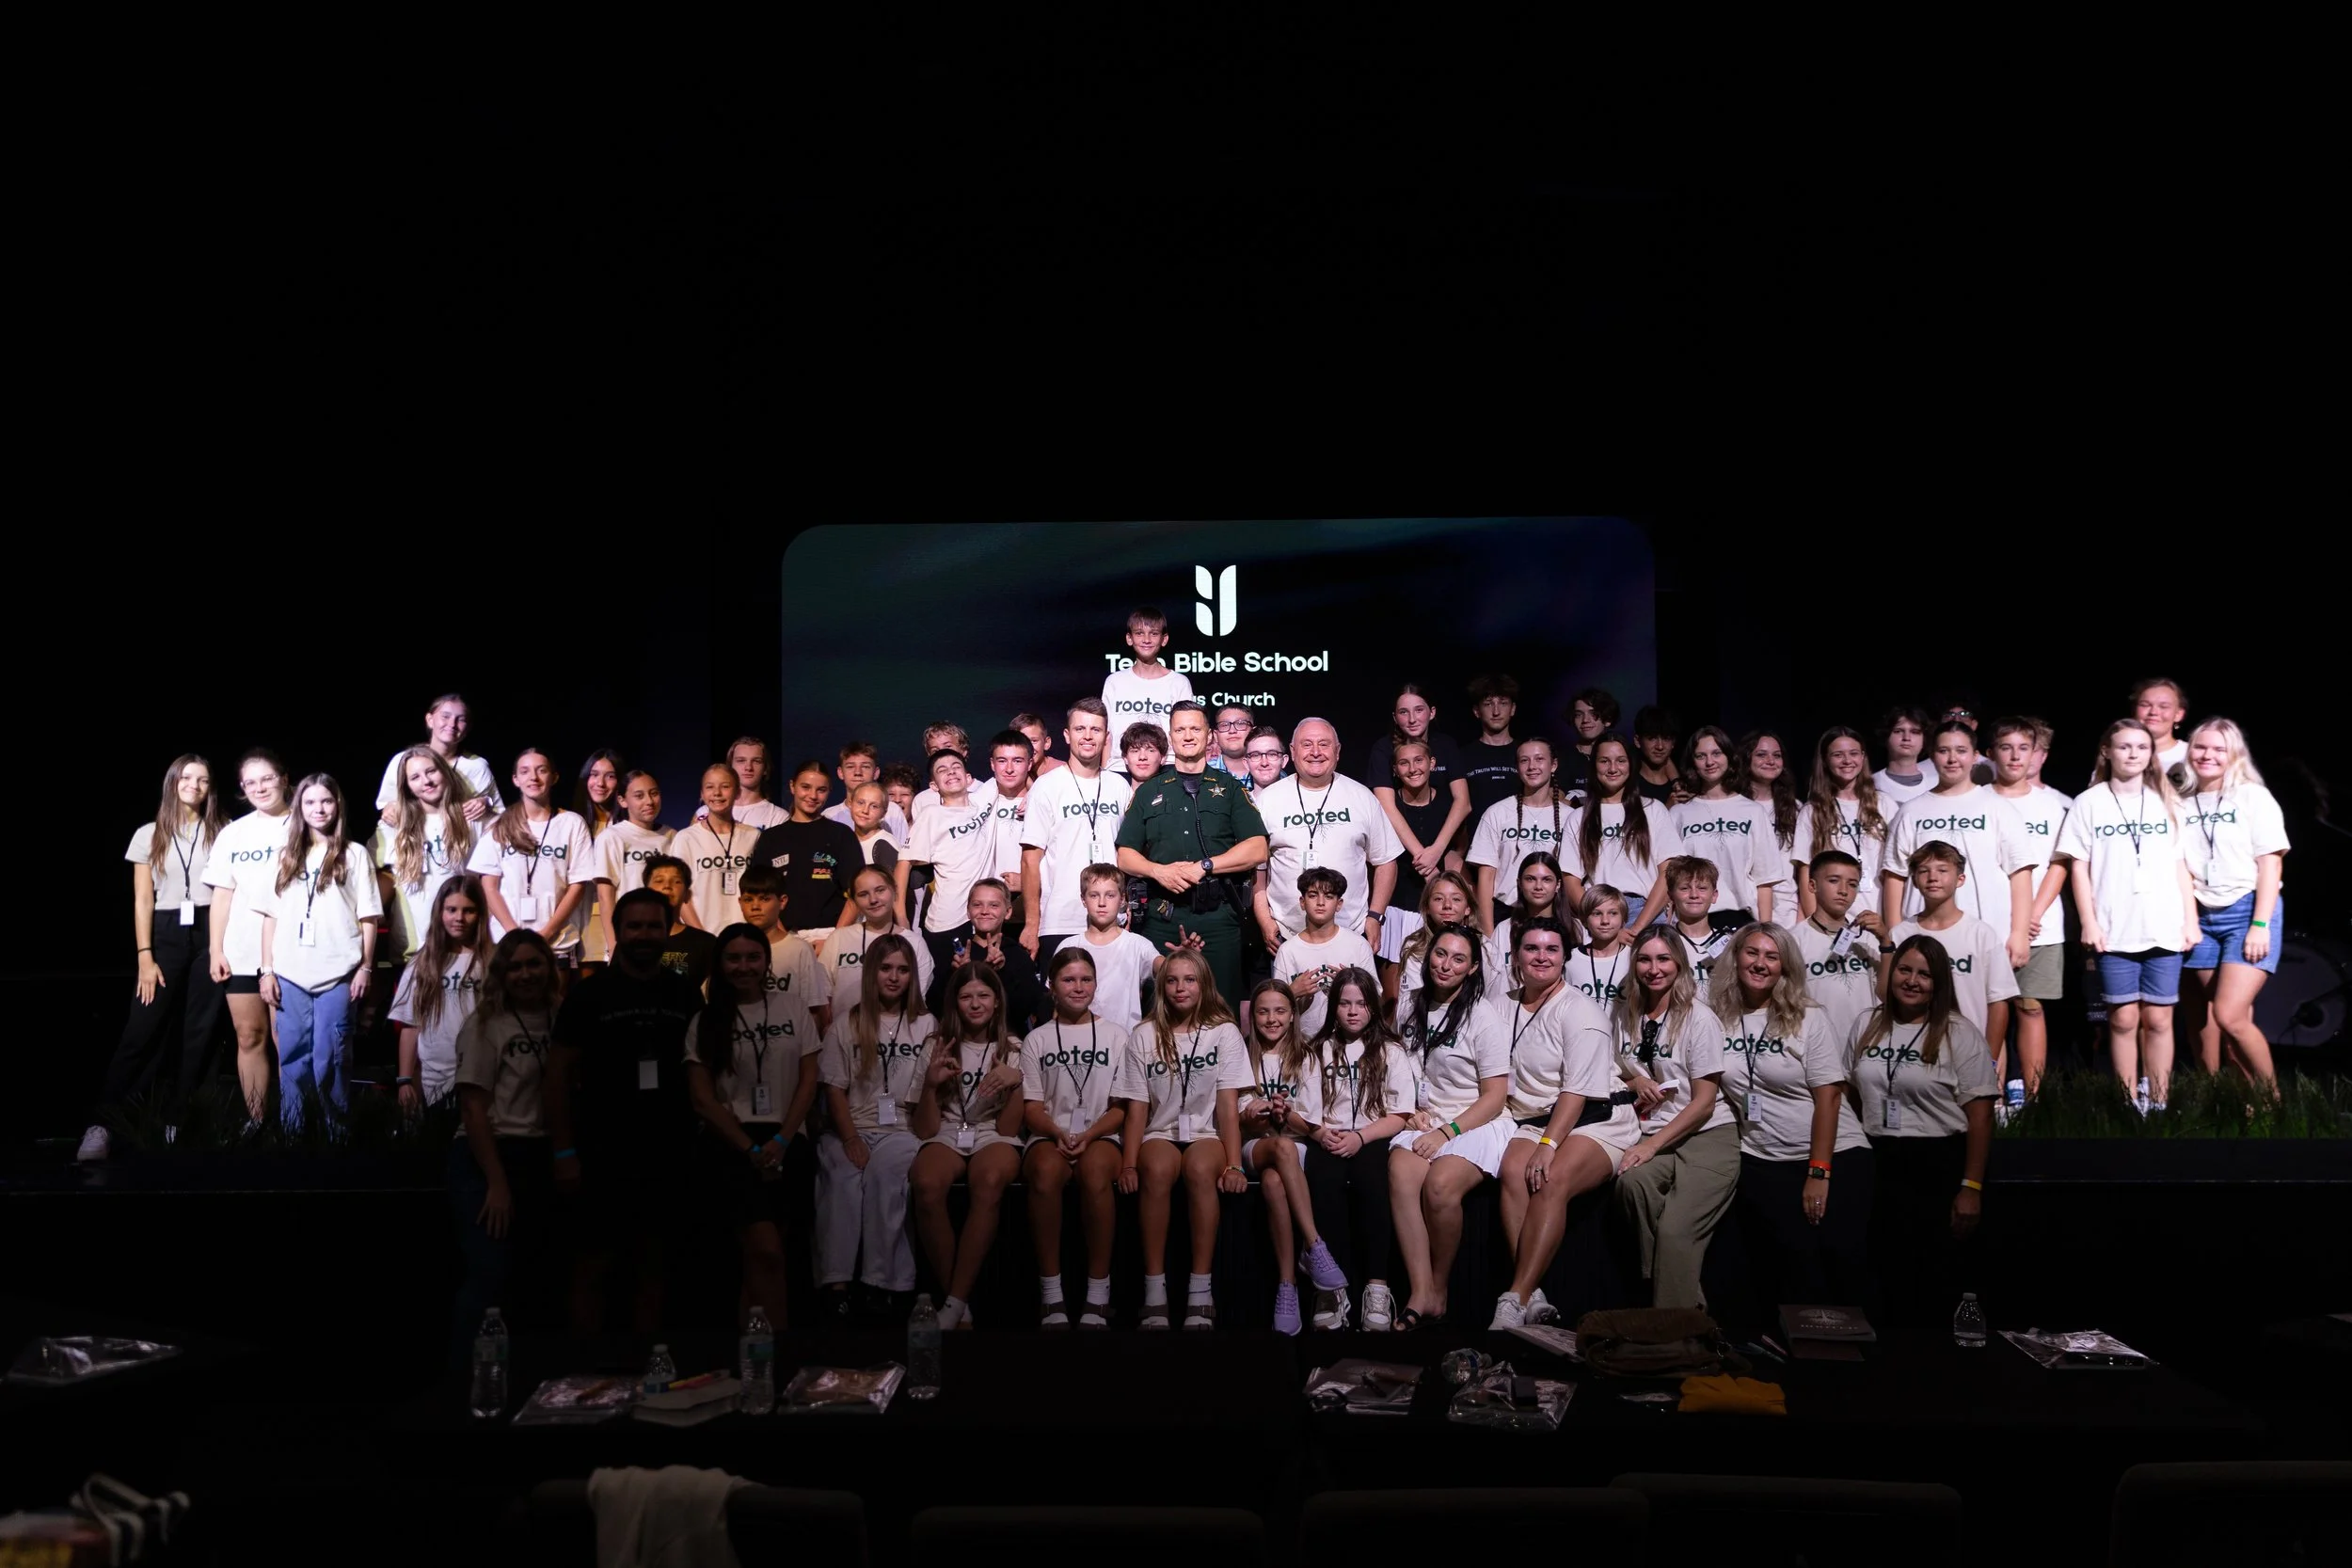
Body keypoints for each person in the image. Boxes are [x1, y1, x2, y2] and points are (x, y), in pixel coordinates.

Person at [544, 886, 705, 1334]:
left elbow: (704, 1075)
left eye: (654, 925)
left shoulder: (685, 995)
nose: (644, 934)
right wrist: (563, 1153)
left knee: (656, 1265)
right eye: (634, 926)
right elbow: (556, 1077)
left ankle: (647, 1373)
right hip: (600, 1151)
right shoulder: (587, 997)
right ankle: (586, 1375)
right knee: (593, 1262)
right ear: (617, 931)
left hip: (668, 1151)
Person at [1711, 923, 1873, 1331]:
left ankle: (1851, 1370)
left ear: (1785, 966)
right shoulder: (1718, 1016)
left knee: (1836, 1265)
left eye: (1771, 956)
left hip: (1831, 1156)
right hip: (1763, 1159)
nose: (1760, 964)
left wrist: (1819, 1173)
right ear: (1736, 957)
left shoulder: (1807, 1017)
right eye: (1752, 953)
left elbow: (1830, 1096)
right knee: (1787, 1271)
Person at [1847, 936, 1997, 1332]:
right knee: (1880, 1271)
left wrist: (1972, 1187)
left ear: (1939, 983)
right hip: (1878, 1160)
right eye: (1905, 969)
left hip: (1937, 1165)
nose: (1912, 981)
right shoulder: (1866, 1023)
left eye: (1924, 974)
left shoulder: (1959, 1033)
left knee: (1931, 1275)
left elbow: (1981, 1118)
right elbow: (1849, 1094)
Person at [84, 755, 229, 1157]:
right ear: (172, 782)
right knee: (142, 1031)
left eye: (203, 780)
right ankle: (103, 1124)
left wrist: (218, 946)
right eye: (186, 777)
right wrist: (145, 956)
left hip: (212, 929)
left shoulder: (224, 832)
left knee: (201, 1032)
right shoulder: (148, 834)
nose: (194, 786)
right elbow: (143, 899)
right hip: (164, 934)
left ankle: (180, 1123)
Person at [1487, 917, 1627, 1330]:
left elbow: (1578, 1091)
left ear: (1565, 957)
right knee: (1512, 1170)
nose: (1541, 957)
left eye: (1551, 949)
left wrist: (1548, 1145)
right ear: (1516, 956)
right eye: (1532, 948)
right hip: (1534, 1117)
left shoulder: (1580, 1010)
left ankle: (1514, 1297)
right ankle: (1535, 1295)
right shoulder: (1501, 1004)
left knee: (1550, 1179)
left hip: (1596, 1117)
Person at [686, 924, 815, 1330]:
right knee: (764, 1251)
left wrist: (781, 1139)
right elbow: (702, 1098)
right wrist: (750, 1149)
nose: (744, 967)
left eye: (752, 957)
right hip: (733, 1145)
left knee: (773, 1256)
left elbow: (809, 1078)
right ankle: (776, 1353)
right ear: (720, 965)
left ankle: (751, 1359)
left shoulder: (792, 1006)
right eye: (734, 958)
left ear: (766, 961)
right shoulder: (705, 1020)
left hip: (788, 1141)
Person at [1113, 949, 1250, 1329]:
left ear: (1204, 985)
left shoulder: (1224, 1033)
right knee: (1155, 1168)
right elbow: (1137, 1107)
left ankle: (1200, 1289)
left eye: (1189, 980)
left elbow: (1228, 1105)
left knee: (1200, 1168)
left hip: (1207, 1133)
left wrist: (1235, 1163)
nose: (1180, 988)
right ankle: (1154, 1289)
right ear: (1161, 986)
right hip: (1161, 1130)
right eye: (1172, 980)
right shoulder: (1144, 1035)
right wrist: (1128, 1162)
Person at [1387, 925, 1509, 1330]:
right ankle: (1419, 1291)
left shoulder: (1483, 1015)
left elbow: (1495, 1095)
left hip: (1475, 1120)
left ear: (1472, 968)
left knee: (1439, 1186)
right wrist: (1408, 1112)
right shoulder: (1407, 1004)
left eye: (1458, 959)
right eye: (1440, 954)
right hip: (1424, 1118)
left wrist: (1447, 1132)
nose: (1446, 965)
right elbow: (1400, 1068)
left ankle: (1439, 1289)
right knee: (1402, 1173)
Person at [447, 927, 559, 1364]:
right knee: (489, 1275)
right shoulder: (485, 1025)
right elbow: (473, 1110)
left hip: (540, 1154)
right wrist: (496, 1183)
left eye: (534, 964)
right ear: (501, 973)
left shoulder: (558, 1014)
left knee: (535, 1277)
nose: (526, 974)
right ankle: (466, 1382)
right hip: (487, 1156)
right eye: (515, 966)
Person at [1612, 928, 1737, 1311]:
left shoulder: (1699, 1018)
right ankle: (1684, 1299)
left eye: (1663, 959)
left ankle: (1673, 1333)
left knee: (1675, 1231)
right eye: (1645, 960)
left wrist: (1650, 1145)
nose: (1654, 969)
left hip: (1707, 1132)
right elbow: (1614, 1065)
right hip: (1653, 1129)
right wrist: (1634, 1080)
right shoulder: (1625, 1011)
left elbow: (1703, 1103)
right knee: (1631, 1185)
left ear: (1679, 963)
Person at [1116, 702, 1270, 1006]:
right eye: (1180, 729)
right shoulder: (1148, 791)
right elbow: (1125, 855)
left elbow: (1258, 848)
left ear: (1209, 735)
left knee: (1221, 1009)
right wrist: (1159, 871)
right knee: (1160, 1011)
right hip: (1163, 917)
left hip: (1218, 919)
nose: (1187, 736)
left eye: (1195, 729)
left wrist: (1206, 866)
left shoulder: (1230, 789)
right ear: (1171, 737)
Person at [1291, 968, 1417, 1330]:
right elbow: (1304, 1112)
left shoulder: (1390, 1050)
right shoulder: (1318, 1049)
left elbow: (1401, 1112)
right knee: (1323, 1183)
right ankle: (1330, 1289)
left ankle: (1377, 1286)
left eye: (1361, 1004)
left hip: (1372, 1137)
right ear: (1334, 1007)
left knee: (1375, 1183)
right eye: (1344, 1003)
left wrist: (1362, 1137)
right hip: (1330, 1136)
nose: (1352, 1011)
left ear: (1373, 1008)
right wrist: (1319, 1134)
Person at [814, 932, 930, 1320]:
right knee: (841, 1176)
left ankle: (883, 1283)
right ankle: (837, 1284)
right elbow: (834, 1089)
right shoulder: (847, 1024)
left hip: (903, 1128)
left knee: (885, 1174)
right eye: (885, 969)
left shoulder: (927, 1024)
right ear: (871, 973)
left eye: (902, 970)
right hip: (853, 1124)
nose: (894, 977)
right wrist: (850, 1139)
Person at [906, 963, 1026, 1331]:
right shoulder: (936, 1046)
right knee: (925, 1182)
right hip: (947, 1131)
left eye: (983, 995)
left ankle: (955, 1303)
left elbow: (1007, 1129)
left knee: (988, 1179)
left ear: (996, 1001)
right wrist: (930, 1085)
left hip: (992, 1133)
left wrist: (1016, 1082)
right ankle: (959, 1306)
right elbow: (925, 1129)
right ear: (954, 1003)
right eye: (966, 996)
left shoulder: (1014, 1048)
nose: (975, 1004)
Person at [258, 774, 381, 1123]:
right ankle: (294, 1135)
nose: (319, 809)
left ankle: (335, 1137)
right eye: (310, 802)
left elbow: (368, 917)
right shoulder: (285, 856)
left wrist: (365, 968)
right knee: (293, 1057)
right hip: (290, 972)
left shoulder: (354, 854)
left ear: (337, 804)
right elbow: (270, 916)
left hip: (338, 973)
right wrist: (266, 971)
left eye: (326, 801)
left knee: (334, 1056)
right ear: (299, 807)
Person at [2180, 718, 2290, 1088]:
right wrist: (2189, 919)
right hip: (2203, 914)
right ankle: (2238, 1099)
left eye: (2218, 749)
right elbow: (2180, 864)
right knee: (2220, 1017)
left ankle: (2272, 1100)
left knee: (2229, 1015)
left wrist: (2260, 925)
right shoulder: (2180, 799)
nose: (2207, 755)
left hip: (2247, 911)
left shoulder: (2252, 796)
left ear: (2234, 754)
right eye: (2200, 747)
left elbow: (2271, 862)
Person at [1020, 948, 1126, 1328]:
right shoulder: (1037, 1039)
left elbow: (1120, 1107)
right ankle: (1052, 1292)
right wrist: (1058, 1132)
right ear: (1052, 986)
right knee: (1046, 1175)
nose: (1078, 987)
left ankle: (1098, 1292)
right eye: (1068, 980)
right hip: (1051, 1133)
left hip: (1102, 1134)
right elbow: (1031, 1108)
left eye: (1085, 979)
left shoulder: (1116, 1036)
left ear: (1096, 984)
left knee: (1096, 1173)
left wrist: (1089, 1133)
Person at [1236, 980, 1348, 1335]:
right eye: (1263, 1011)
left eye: (1280, 1011)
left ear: (1292, 1016)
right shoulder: (1242, 1053)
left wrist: (1288, 1113)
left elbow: (1310, 1121)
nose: (1272, 1019)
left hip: (1295, 1146)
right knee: (1279, 1149)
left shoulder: (1308, 1056)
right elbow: (1232, 1110)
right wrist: (1252, 1110)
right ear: (1252, 1016)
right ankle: (1314, 1244)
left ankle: (1287, 1284)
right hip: (1256, 1143)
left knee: (1273, 1180)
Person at [1879, 721, 2036, 972]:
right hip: (1921, 941)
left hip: (1985, 937)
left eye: (1961, 751)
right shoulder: (1911, 811)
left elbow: (2020, 874)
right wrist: (1896, 934)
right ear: (1932, 756)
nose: (1952, 759)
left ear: (1975, 756)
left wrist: (2019, 934)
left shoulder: (1998, 808)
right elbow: (1894, 875)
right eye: (1944, 751)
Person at [1252, 718, 1403, 954]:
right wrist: (1265, 921)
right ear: (1292, 751)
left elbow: (1386, 861)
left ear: (1338, 750)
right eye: (1307, 744)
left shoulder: (1361, 797)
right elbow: (1257, 872)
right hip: (1287, 939)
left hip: (1351, 936)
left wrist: (1375, 916)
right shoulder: (1268, 801)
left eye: (1324, 744)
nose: (1315, 752)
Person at [204, 751, 294, 1122]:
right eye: (250, 782)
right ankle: (257, 1122)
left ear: (284, 779)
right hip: (240, 950)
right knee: (248, 1037)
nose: (259, 788)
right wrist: (215, 950)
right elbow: (221, 896)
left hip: (290, 951)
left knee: (285, 1040)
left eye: (267, 778)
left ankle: (296, 1122)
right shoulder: (233, 833)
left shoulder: (305, 823)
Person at [1989, 719, 2071, 1094]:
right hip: (1990, 924)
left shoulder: (2052, 805)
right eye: (2007, 747)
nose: (2015, 755)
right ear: (1992, 754)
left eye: (2024, 747)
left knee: (2031, 1008)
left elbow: (2060, 864)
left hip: (2041, 926)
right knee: (1992, 1013)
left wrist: (2031, 916)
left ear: (2035, 753)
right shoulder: (1980, 801)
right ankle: (1992, 1096)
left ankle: (2033, 1101)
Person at [1018, 698, 1134, 963]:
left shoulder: (1119, 786)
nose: (1088, 736)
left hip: (1111, 920)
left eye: (1096, 730)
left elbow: (1127, 856)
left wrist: (1127, 911)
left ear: (1107, 737)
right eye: (1080, 729)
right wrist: (1032, 923)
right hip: (1061, 921)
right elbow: (1030, 860)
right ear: (1067, 735)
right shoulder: (1046, 787)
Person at [1884, 842, 2021, 1063]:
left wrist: (1990, 1058)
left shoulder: (1981, 934)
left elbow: (1998, 1001)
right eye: (1924, 871)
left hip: (1967, 1054)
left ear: (1960, 879)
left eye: (1942, 870)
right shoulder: (1900, 934)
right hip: (1909, 1054)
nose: (1933, 877)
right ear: (1914, 881)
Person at [468, 749, 594, 965]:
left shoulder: (572, 823)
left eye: (541, 770)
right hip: (506, 942)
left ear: (554, 777)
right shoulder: (499, 825)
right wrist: (513, 934)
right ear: (516, 780)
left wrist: (546, 933)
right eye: (525, 771)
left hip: (556, 943)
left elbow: (577, 885)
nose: (533, 777)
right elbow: (489, 886)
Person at [387, 873, 492, 1115]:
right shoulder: (423, 962)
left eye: (469, 910)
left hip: (482, 1076)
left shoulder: (492, 961)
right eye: (452, 909)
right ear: (440, 912)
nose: (459, 918)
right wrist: (404, 1080)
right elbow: (411, 1024)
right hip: (434, 1079)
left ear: (480, 914)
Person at [898, 749, 1000, 980]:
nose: (951, 772)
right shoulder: (931, 815)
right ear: (934, 786)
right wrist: (901, 918)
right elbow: (903, 864)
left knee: (981, 988)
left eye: (956, 767)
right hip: (947, 920)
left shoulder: (984, 800)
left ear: (968, 777)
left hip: (980, 917)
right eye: (942, 770)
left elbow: (1018, 767)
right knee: (948, 991)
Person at [748, 758, 865, 954]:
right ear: (792, 786)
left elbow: (857, 892)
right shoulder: (771, 838)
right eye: (805, 787)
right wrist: (784, 940)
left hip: (832, 937)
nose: (813, 795)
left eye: (821, 790)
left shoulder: (841, 835)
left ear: (829, 792)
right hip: (782, 937)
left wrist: (834, 940)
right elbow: (760, 893)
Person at [373, 747, 479, 964]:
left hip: (465, 946)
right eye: (415, 777)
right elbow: (368, 873)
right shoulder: (393, 826)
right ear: (408, 786)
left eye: (431, 771)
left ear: (445, 772)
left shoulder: (472, 820)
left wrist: (485, 802)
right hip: (414, 949)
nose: (426, 781)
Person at [1373, 737, 1462, 990]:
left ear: (1432, 763)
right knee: (1394, 996)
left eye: (1419, 760)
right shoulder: (1388, 808)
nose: (1413, 769)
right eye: (1404, 763)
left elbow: (1459, 850)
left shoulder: (1447, 804)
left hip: (1438, 908)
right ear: (1394, 769)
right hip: (1397, 907)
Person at [1670, 726, 1783, 924]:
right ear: (1692, 762)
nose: (1709, 762)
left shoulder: (1753, 811)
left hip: (1741, 919)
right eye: (1700, 756)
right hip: (1690, 922)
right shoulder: (1679, 813)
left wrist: (1764, 929)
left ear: (1729, 757)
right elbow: (1669, 879)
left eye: (1716, 753)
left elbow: (1764, 880)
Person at [1466, 737, 1572, 934]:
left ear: (1554, 765)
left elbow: (1573, 878)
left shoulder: (1571, 818)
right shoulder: (1497, 813)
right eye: (1524, 760)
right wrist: (1489, 936)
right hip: (1505, 915)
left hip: (1554, 918)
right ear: (1517, 767)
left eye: (1539, 759)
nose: (1532, 766)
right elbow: (1486, 878)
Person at [1565, 736, 1673, 926]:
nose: (1613, 768)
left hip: (1647, 913)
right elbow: (1570, 880)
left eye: (1621, 761)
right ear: (1594, 766)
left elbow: (1668, 871)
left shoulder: (1653, 809)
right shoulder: (1578, 817)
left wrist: (1638, 927)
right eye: (1604, 761)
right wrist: (1598, 921)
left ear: (1631, 765)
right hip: (1598, 913)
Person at [1793, 726, 1890, 921]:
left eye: (1854, 753)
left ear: (1863, 757)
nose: (1847, 761)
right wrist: (1818, 925)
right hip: (1833, 917)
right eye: (1838, 755)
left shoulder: (1885, 804)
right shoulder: (1812, 811)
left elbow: (1895, 871)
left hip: (1878, 913)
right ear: (1826, 761)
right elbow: (1806, 874)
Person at [1788, 851, 1883, 1050]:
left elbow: (1886, 993)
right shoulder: (1793, 940)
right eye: (1834, 880)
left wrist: (1886, 941)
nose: (1843, 890)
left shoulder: (1868, 937)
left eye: (1852, 884)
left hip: (1865, 1047)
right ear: (1812, 885)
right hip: (1817, 1049)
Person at [1365, 686, 1470, 864]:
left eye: (1419, 710)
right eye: (1404, 712)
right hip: (1401, 850)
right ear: (1395, 718)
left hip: (1440, 844)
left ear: (1432, 712)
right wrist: (1423, 858)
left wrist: (1437, 850)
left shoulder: (1446, 745)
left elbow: (1463, 802)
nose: (1412, 719)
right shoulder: (1383, 749)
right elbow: (1387, 807)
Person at [1274, 868, 1381, 1038]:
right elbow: (1274, 1004)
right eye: (1313, 895)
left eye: (1329, 896)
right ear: (1302, 902)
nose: (1321, 902)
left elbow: (1376, 995)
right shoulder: (1288, 951)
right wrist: (1292, 991)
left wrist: (1351, 986)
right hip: (1305, 1044)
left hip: (1350, 1041)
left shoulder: (1358, 945)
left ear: (1339, 904)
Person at [931, 878, 1045, 1031]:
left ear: (1008, 912)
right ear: (968, 911)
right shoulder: (955, 954)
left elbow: (1026, 1009)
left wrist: (1001, 973)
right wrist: (957, 976)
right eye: (977, 905)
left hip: (1006, 1042)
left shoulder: (1018, 956)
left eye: (994, 905)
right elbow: (934, 1006)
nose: (985, 911)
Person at [372, 693, 501, 827]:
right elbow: (386, 804)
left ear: (467, 728)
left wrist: (485, 803)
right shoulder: (404, 760)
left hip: (461, 843)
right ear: (430, 720)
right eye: (445, 716)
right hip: (411, 840)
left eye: (461, 719)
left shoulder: (476, 766)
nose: (452, 724)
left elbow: (498, 812)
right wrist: (389, 809)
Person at [589, 770, 675, 957]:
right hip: (629, 939)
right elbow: (605, 897)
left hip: (664, 938)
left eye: (654, 793)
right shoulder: (612, 837)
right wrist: (613, 946)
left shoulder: (672, 836)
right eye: (639, 796)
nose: (649, 801)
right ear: (622, 801)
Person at [827, 863, 938, 1006]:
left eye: (880, 890)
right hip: (845, 1028)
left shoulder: (914, 943)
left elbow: (917, 1001)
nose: (873, 900)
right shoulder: (838, 939)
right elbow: (822, 997)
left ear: (894, 891)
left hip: (898, 1028)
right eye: (863, 894)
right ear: (854, 900)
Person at [1067, 864, 1157, 1030]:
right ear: (1083, 900)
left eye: (1110, 895)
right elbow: (1055, 1000)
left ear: (1122, 899)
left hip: (1125, 1042)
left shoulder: (1137, 944)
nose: (1102, 903)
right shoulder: (1069, 946)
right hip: (1079, 1044)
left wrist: (1184, 958)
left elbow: (1165, 967)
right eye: (1094, 895)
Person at [1729, 731, 1800, 915]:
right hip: (1745, 909)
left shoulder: (1795, 808)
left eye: (1777, 755)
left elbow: (1804, 869)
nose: (1770, 760)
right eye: (1761, 755)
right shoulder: (1732, 806)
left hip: (1787, 911)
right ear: (1746, 759)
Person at [1392, 870, 1476, 1019]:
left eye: (1456, 899)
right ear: (1427, 907)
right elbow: (1410, 1000)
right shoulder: (1414, 946)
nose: (1447, 905)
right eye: (1438, 899)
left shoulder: (1485, 949)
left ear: (1468, 908)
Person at [1658, 857, 1747, 994]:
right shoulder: (1662, 943)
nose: (1694, 895)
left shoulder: (1731, 943)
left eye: (1702, 888)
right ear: (1671, 896)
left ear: (1714, 896)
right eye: (1684, 888)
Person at [973, 731, 1037, 922]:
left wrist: (1027, 882)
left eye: (1017, 761)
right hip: (987, 909)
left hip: (1032, 904)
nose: (1009, 769)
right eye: (1002, 761)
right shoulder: (976, 804)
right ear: (992, 764)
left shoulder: (1043, 802)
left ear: (1030, 763)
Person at [1101, 605, 1196, 732]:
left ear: (1164, 639)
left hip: (1166, 753)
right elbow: (1104, 731)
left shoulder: (1179, 683)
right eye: (1139, 633)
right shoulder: (1114, 681)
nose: (1147, 640)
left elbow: (1185, 729)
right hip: (1119, 753)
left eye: (1154, 634)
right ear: (1129, 638)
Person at [571, 749, 625, 971]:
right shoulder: (572, 822)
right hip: (585, 922)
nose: (600, 783)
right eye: (594, 774)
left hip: (622, 919)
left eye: (610, 776)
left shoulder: (627, 827)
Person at [1483, 851, 1569, 981]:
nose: (1538, 886)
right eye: (1530, 879)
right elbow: (1493, 980)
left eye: (1546, 879)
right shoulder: (1504, 930)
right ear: (1519, 884)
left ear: (1558, 885)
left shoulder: (1576, 930)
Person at [642, 856, 718, 990]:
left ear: (687, 895)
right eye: (659, 881)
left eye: (676, 881)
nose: (667, 886)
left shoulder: (706, 943)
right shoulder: (631, 940)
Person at [1459, 672, 1523, 825]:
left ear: (1513, 709)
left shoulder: (1526, 754)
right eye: (1488, 704)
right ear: (1476, 711)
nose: (1496, 711)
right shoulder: (1462, 756)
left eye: (1503, 703)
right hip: (1476, 844)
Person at [1565, 883, 1632, 1008]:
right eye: (1597, 914)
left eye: (1613, 913)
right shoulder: (1570, 959)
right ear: (1584, 920)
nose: (1605, 921)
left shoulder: (1633, 958)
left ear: (1624, 919)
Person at [826, 741, 911, 841]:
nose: (857, 772)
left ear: (876, 773)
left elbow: (904, 853)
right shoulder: (829, 817)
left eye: (865, 767)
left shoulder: (893, 811)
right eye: (850, 767)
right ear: (840, 772)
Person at [705, 736, 789, 831]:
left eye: (756, 761)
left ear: (765, 768)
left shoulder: (778, 817)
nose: (748, 767)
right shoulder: (705, 812)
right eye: (741, 761)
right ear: (730, 767)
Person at [1872, 705, 1933, 809]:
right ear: (1886, 737)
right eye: (1898, 731)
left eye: (1915, 732)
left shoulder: (1937, 784)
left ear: (1924, 739)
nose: (1906, 738)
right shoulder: (1871, 785)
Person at [1565, 688, 1620, 799]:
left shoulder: (1621, 758)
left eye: (1593, 714)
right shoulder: (1562, 759)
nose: (1585, 720)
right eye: (1578, 714)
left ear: (1607, 719)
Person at [2131, 677, 2192, 779]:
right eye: (2145, 705)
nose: (2153, 712)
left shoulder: (2190, 756)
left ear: (2178, 714)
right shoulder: (2120, 753)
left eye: (2164, 706)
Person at [842, 784, 902, 872]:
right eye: (860, 803)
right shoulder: (845, 840)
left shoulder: (885, 844)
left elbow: (894, 883)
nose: (865, 810)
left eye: (874, 806)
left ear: (884, 813)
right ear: (850, 804)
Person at [1632, 706, 1681, 805]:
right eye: (1652, 738)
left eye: (1666, 738)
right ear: (1638, 741)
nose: (1660, 746)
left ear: (1673, 743)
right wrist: (1666, 810)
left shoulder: (1682, 787)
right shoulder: (1630, 787)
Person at [1012, 711, 1066, 781]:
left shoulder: (1062, 772)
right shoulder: (1010, 772)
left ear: (1046, 743)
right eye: (1022, 742)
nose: (1029, 748)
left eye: (1034, 741)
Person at [1240, 725, 1287, 803]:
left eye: (1272, 754)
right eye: (1255, 755)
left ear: (1284, 761)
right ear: (1246, 763)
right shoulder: (1239, 806)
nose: (1264, 763)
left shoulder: (1298, 801)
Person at [1117, 721, 1168, 786]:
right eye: (1135, 751)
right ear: (1125, 758)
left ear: (1162, 757)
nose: (1142, 757)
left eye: (1150, 750)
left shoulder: (1171, 795)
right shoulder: (1115, 793)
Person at [1209, 705, 1254, 777]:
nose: (1232, 730)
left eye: (1240, 723)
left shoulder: (1270, 773)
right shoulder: (1201, 773)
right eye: (1224, 725)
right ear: (1215, 735)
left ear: (1253, 732)